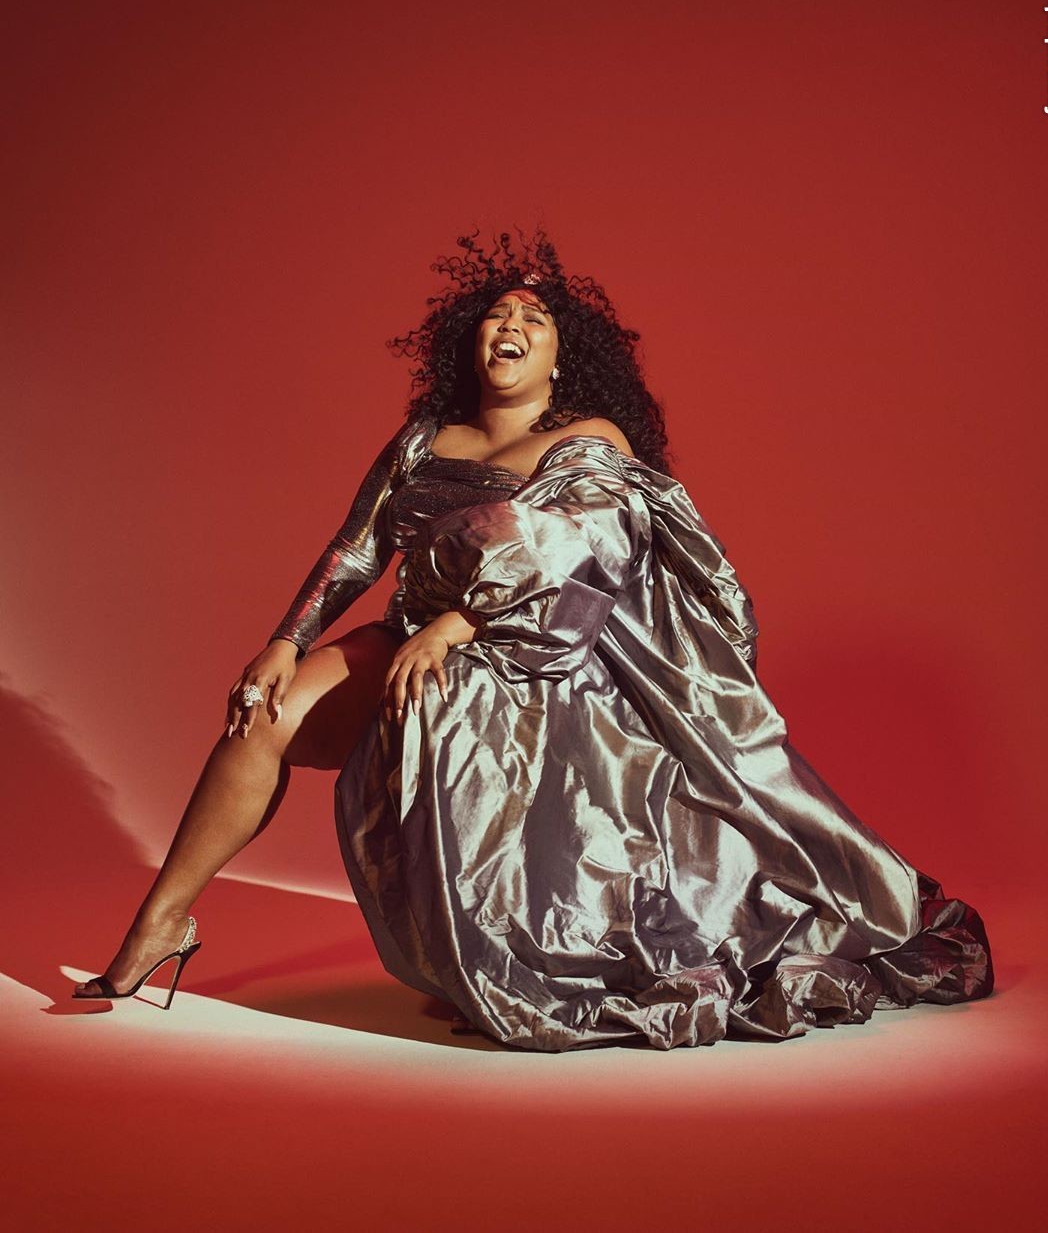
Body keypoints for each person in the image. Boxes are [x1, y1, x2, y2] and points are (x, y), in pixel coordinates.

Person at [74, 228, 994, 1050]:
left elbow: (589, 554)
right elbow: (356, 549)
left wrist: (463, 621)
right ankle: (162, 924)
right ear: (469, 341)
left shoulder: (587, 437)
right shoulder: (424, 439)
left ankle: (497, 955)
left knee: (447, 698)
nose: (510, 326)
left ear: (560, 358)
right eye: (496, 316)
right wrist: (285, 639)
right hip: (417, 631)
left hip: (541, 653)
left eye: (534, 320)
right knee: (262, 716)